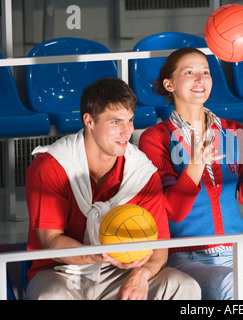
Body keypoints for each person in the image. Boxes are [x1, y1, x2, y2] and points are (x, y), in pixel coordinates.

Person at [139, 47, 243, 300]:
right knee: (235, 284)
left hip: (240, 253)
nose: (200, 79)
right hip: (187, 257)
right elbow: (172, 211)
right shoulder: (155, 138)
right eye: (189, 72)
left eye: (205, 72)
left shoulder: (233, 130)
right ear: (169, 84)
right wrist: (195, 166)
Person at [25, 77, 201, 300]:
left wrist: (142, 275)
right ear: (89, 121)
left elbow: (159, 246)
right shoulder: (52, 166)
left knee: (183, 285)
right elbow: (51, 240)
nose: (127, 131)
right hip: (60, 272)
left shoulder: (142, 172)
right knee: (50, 296)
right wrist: (100, 254)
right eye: (116, 122)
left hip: (120, 271)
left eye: (130, 120)